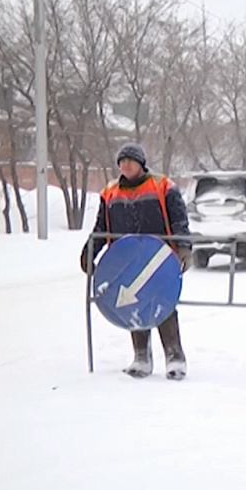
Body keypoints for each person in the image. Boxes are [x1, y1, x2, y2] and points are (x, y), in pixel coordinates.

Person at [79, 142, 194, 380]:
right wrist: (90, 251)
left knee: (163, 305)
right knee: (133, 306)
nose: (125, 165)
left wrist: (184, 247)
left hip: (159, 259)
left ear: (141, 163)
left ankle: (175, 358)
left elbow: (179, 219)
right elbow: (101, 226)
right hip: (126, 259)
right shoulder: (110, 192)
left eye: (130, 160)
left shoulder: (162, 186)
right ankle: (141, 357)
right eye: (122, 161)